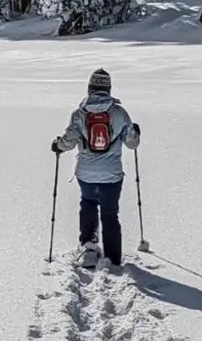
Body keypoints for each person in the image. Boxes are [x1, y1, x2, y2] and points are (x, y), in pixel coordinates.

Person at [51, 68, 140, 268]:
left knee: (89, 204)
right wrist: (135, 132)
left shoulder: (79, 113)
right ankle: (113, 257)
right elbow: (132, 144)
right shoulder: (119, 113)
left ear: (90, 87)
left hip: (86, 173)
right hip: (112, 174)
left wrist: (57, 145)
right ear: (108, 88)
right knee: (110, 212)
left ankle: (89, 249)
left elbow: (69, 142)